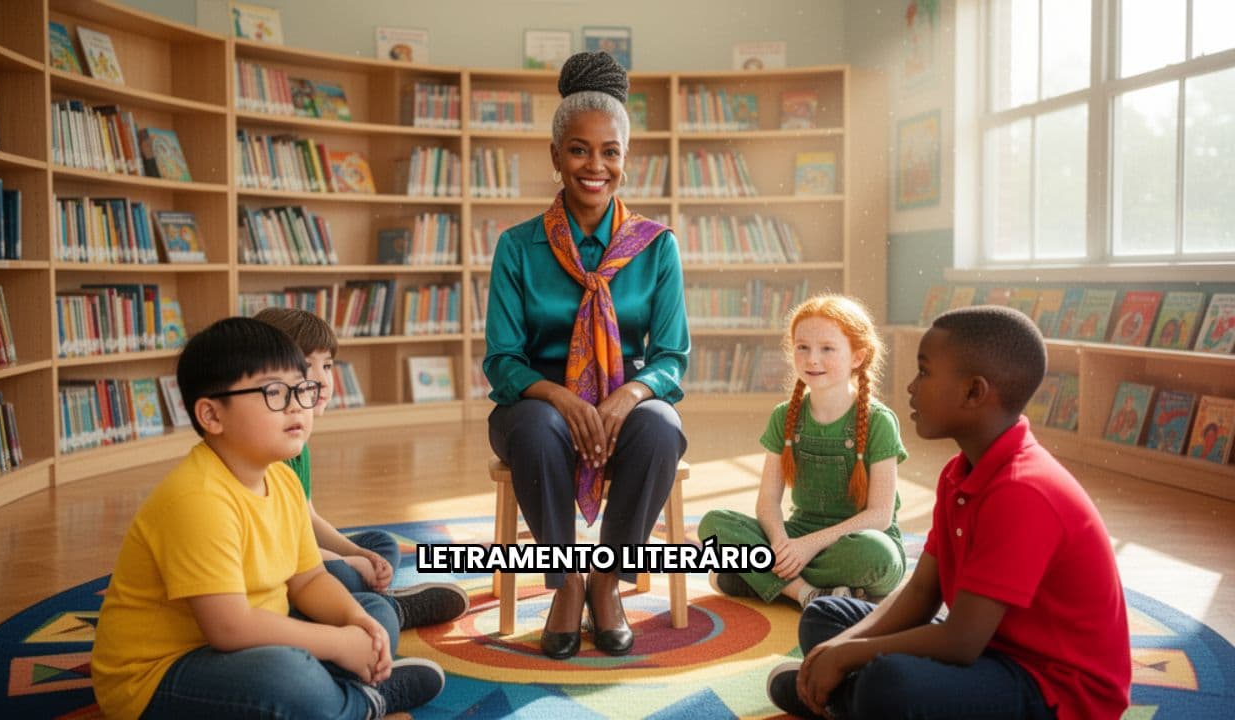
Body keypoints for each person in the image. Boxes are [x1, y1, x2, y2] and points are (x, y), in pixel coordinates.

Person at [766, 305, 1131, 720]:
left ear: (974, 392)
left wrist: (851, 653)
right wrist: (841, 647)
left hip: (1053, 690)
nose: (910, 387)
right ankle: (847, 698)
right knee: (825, 619)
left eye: (924, 373)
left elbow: (961, 641)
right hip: (992, 650)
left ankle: (847, 699)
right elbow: (922, 593)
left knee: (889, 682)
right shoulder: (959, 474)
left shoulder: (1023, 492)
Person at [91, 318, 445, 719]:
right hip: (159, 675)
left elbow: (308, 580)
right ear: (211, 415)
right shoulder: (197, 499)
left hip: (252, 640)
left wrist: (355, 621)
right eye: (274, 392)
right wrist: (336, 643)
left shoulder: (282, 478)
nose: (297, 404)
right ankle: (363, 703)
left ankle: (337, 696)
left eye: (302, 388)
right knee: (286, 677)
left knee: (373, 612)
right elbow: (230, 629)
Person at [483, 50, 689, 659]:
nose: (594, 166)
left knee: (660, 427)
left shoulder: (658, 248)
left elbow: (672, 355)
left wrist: (628, 394)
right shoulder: (517, 247)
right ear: (555, 156)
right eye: (578, 149)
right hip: (535, 412)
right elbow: (501, 359)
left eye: (610, 152)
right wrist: (559, 396)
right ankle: (567, 581)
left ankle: (607, 583)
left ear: (626, 159)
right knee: (541, 427)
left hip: (624, 411)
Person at [254, 307, 469, 629]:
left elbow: (307, 519)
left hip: (300, 555)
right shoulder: (265, 452)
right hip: (278, 571)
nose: (322, 379)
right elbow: (282, 548)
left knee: (380, 546)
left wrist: (358, 553)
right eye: (304, 366)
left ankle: (367, 597)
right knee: (341, 572)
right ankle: (389, 609)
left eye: (326, 365)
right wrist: (344, 560)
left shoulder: (298, 444)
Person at [699, 294, 907, 607]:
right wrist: (782, 542)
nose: (812, 359)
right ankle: (806, 592)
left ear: (857, 356)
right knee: (713, 525)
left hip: (855, 541)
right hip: (796, 535)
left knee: (877, 556)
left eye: (827, 348)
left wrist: (807, 547)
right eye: (802, 347)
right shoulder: (784, 416)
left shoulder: (880, 421)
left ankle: (759, 578)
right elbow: (768, 501)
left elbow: (879, 516)